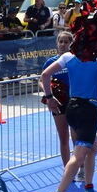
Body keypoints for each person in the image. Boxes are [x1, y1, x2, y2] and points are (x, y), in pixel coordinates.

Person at [40, 42, 97, 192]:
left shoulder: (68, 57)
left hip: (72, 107)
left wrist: (49, 97)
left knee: (93, 147)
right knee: (79, 155)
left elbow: (45, 75)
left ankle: (89, 191)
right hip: (89, 109)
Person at [40, 30, 73, 166]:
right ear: (57, 43)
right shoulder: (51, 62)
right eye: (61, 41)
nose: (63, 44)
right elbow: (41, 80)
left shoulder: (74, 60)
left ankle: (81, 166)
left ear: (71, 44)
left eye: (66, 42)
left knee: (77, 137)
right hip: (58, 102)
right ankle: (68, 170)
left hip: (74, 101)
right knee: (63, 137)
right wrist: (49, 95)